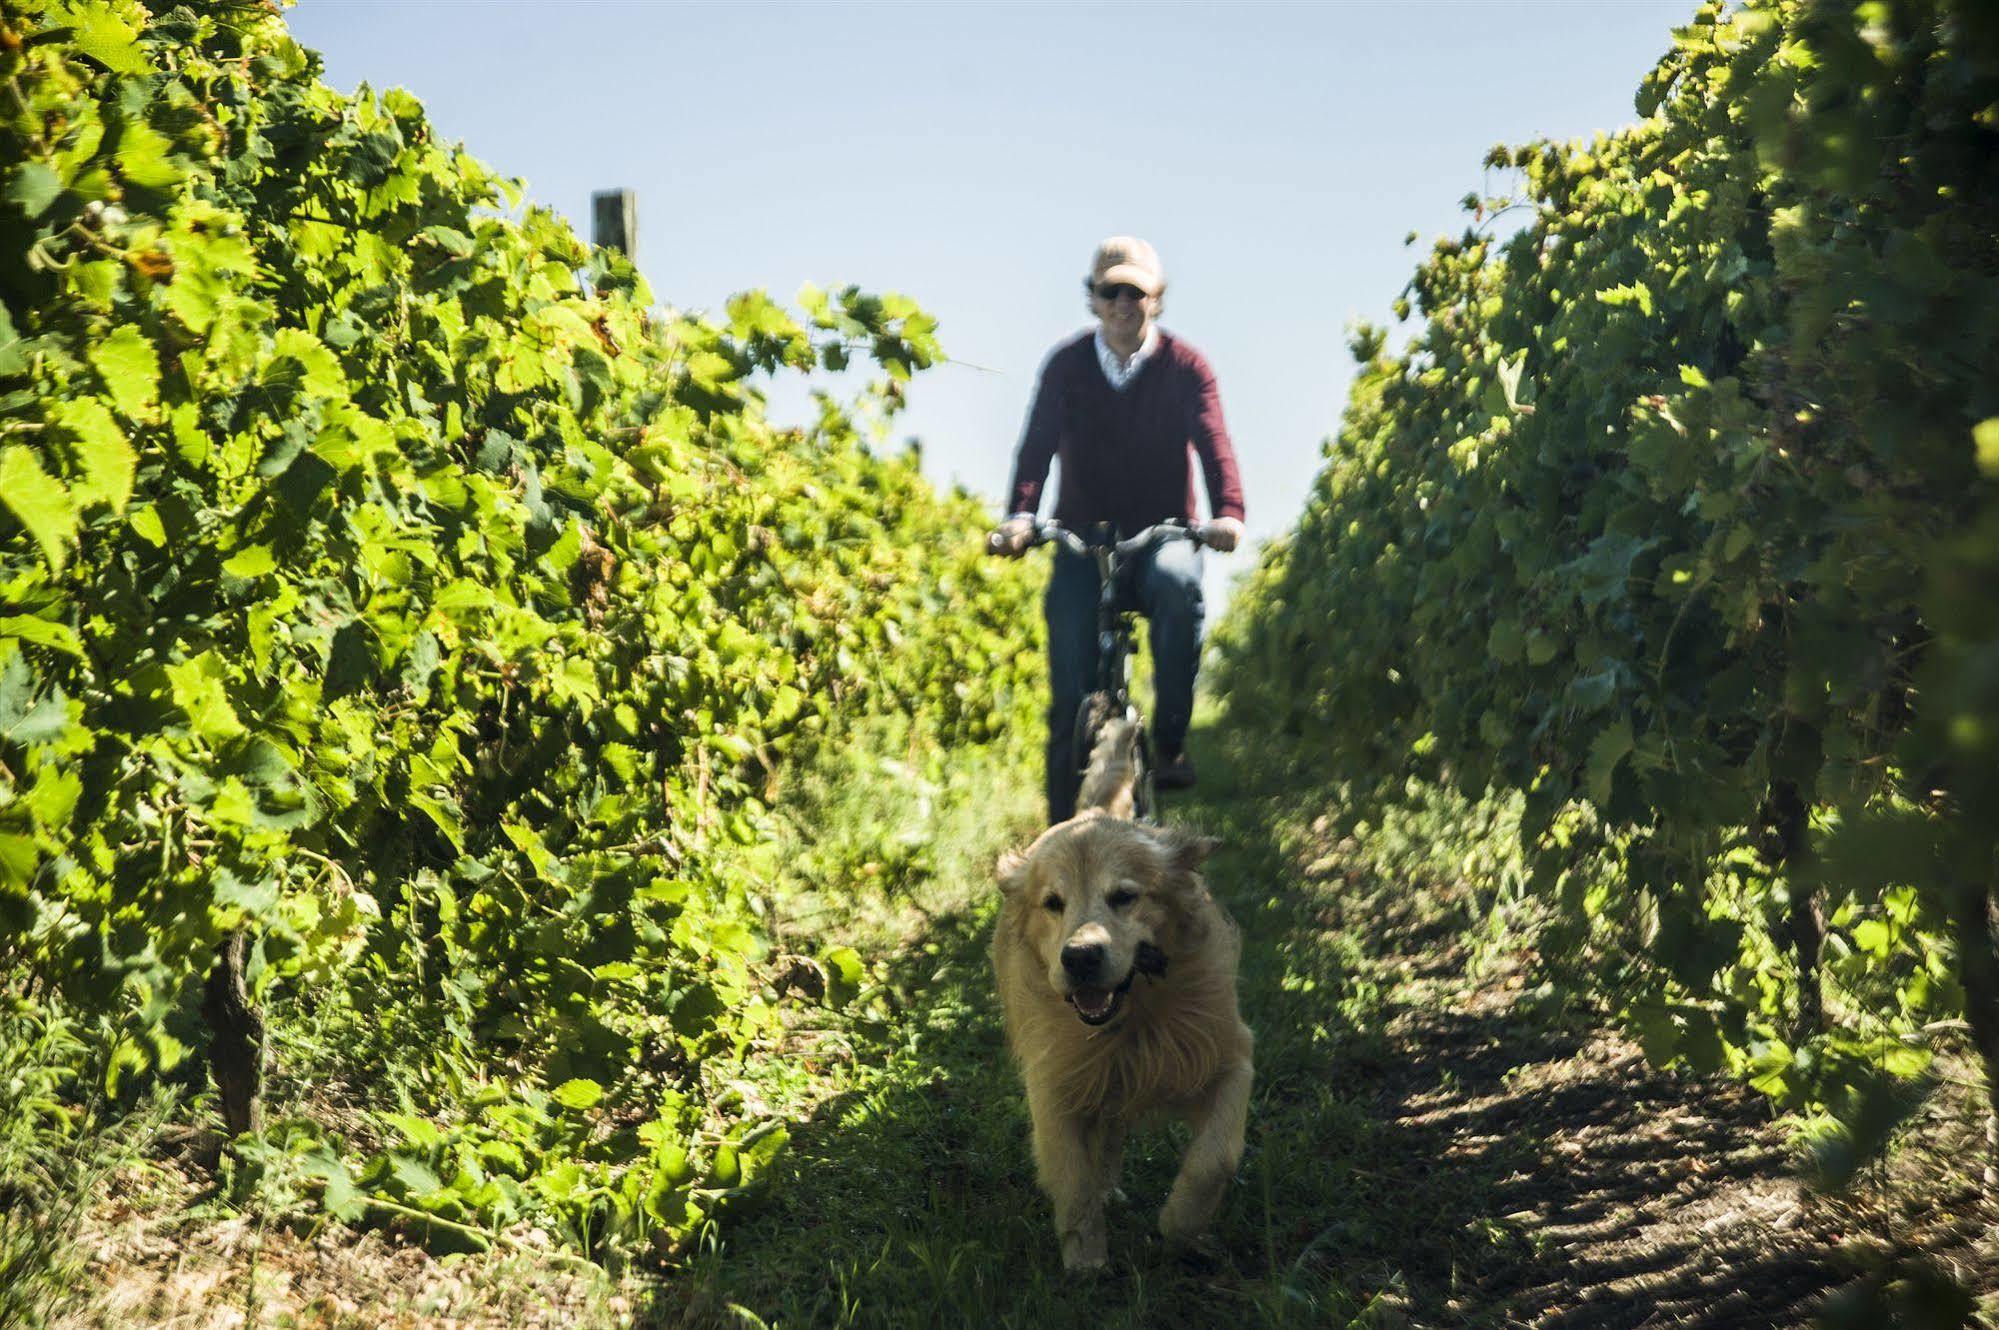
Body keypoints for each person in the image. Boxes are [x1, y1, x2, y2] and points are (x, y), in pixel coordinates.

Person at [987, 236, 1245, 824]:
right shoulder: (1066, 366)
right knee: (1068, 694)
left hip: (1164, 532)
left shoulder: (1187, 367)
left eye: (1137, 292)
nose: (1123, 303)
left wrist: (1227, 513)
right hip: (1084, 537)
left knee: (1179, 588)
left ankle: (1174, 739)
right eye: (1112, 291)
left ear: (1156, 300)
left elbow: (1214, 443)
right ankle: (1055, 843)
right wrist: (1020, 519)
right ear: (1093, 299)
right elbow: (1036, 448)